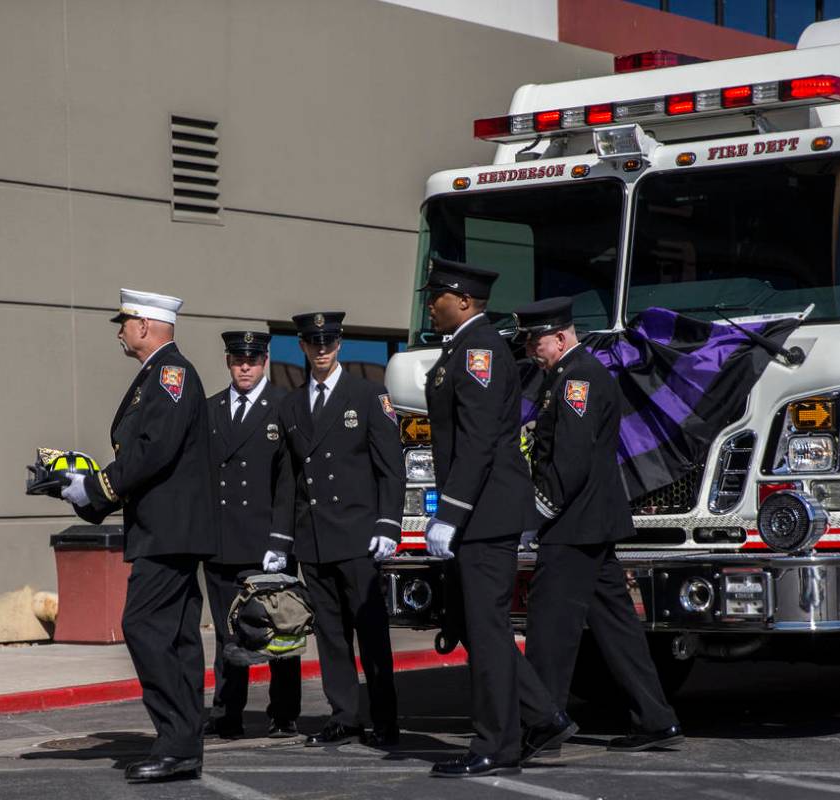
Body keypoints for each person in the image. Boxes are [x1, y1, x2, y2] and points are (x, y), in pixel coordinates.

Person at [420, 259, 575, 779]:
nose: (429, 303)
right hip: (478, 511)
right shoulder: (463, 348)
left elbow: (480, 439)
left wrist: (452, 513)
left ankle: (497, 745)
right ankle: (542, 715)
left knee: (485, 633)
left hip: (484, 513)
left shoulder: (479, 350)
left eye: (436, 295)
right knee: (477, 627)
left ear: (463, 300)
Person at [515, 297, 683, 753]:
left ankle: (541, 723)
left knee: (550, 626)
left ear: (562, 335)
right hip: (589, 521)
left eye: (537, 340)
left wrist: (541, 511)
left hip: (575, 522)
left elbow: (571, 456)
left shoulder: (578, 379)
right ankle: (655, 717)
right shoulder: (567, 376)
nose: (532, 348)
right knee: (617, 626)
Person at [60, 288, 215, 782]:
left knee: (144, 627)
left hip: (169, 531)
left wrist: (97, 488)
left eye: (124, 323)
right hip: (167, 529)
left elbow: (153, 451)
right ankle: (183, 743)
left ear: (145, 325)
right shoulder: (160, 375)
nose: (120, 331)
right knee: (177, 636)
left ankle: (176, 742)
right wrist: (85, 490)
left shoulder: (171, 375)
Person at [264, 311, 403, 748]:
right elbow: (289, 479)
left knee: (371, 632)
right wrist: (280, 539)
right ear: (303, 348)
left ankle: (385, 719)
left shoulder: (367, 394)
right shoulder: (290, 404)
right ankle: (344, 716)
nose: (321, 349)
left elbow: (390, 467)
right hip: (314, 538)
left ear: (339, 344)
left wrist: (389, 523)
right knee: (330, 635)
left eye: (328, 341)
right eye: (312, 343)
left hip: (359, 535)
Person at [203, 331, 301, 740]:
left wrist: (280, 540)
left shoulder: (284, 406)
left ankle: (284, 712)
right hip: (222, 541)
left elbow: (289, 482)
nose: (245, 366)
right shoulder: (209, 409)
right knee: (228, 635)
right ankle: (228, 712)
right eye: (238, 359)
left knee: (278, 630)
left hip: (265, 544)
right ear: (228, 361)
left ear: (265, 361)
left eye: (254, 359)